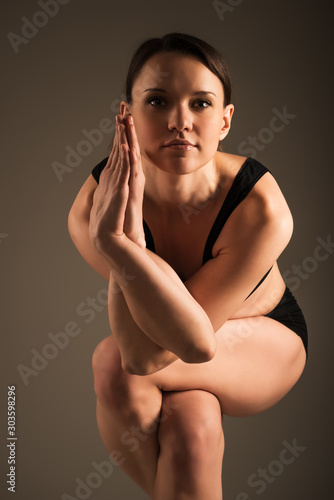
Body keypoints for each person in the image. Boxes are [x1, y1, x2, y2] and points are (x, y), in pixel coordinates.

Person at [67, 32, 308, 500]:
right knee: (191, 431)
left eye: (200, 103)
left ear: (224, 120)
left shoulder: (259, 205)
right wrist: (120, 235)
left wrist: (118, 241)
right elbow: (148, 338)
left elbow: (171, 349)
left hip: (261, 337)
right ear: (129, 115)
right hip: (166, 342)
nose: (180, 121)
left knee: (113, 363)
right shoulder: (95, 203)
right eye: (158, 101)